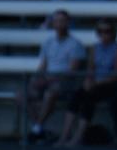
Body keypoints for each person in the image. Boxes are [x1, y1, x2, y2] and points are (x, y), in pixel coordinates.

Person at [54, 20, 117, 147]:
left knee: (89, 99)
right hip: (94, 83)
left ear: (113, 33)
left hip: (110, 85)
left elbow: (116, 74)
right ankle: (64, 136)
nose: (104, 34)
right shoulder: (94, 48)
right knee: (77, 96)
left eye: (107, 31)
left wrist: (97, 82)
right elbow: (90, 69)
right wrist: (88, 81)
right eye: (100, 31)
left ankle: (78, 137)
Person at [25, 10, 86, 140]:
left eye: (62, 21)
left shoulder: (75, 44)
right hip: (48, 80)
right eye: (57, 21)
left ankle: (37, 128)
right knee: (23, 95)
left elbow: (72, 71)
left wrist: (50, 79)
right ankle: (38, 127)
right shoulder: (48, 42)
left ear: (68, 23)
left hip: (65, 83)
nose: (59, 24)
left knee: (50, 93)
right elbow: (43, 66)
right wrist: (37, 78)